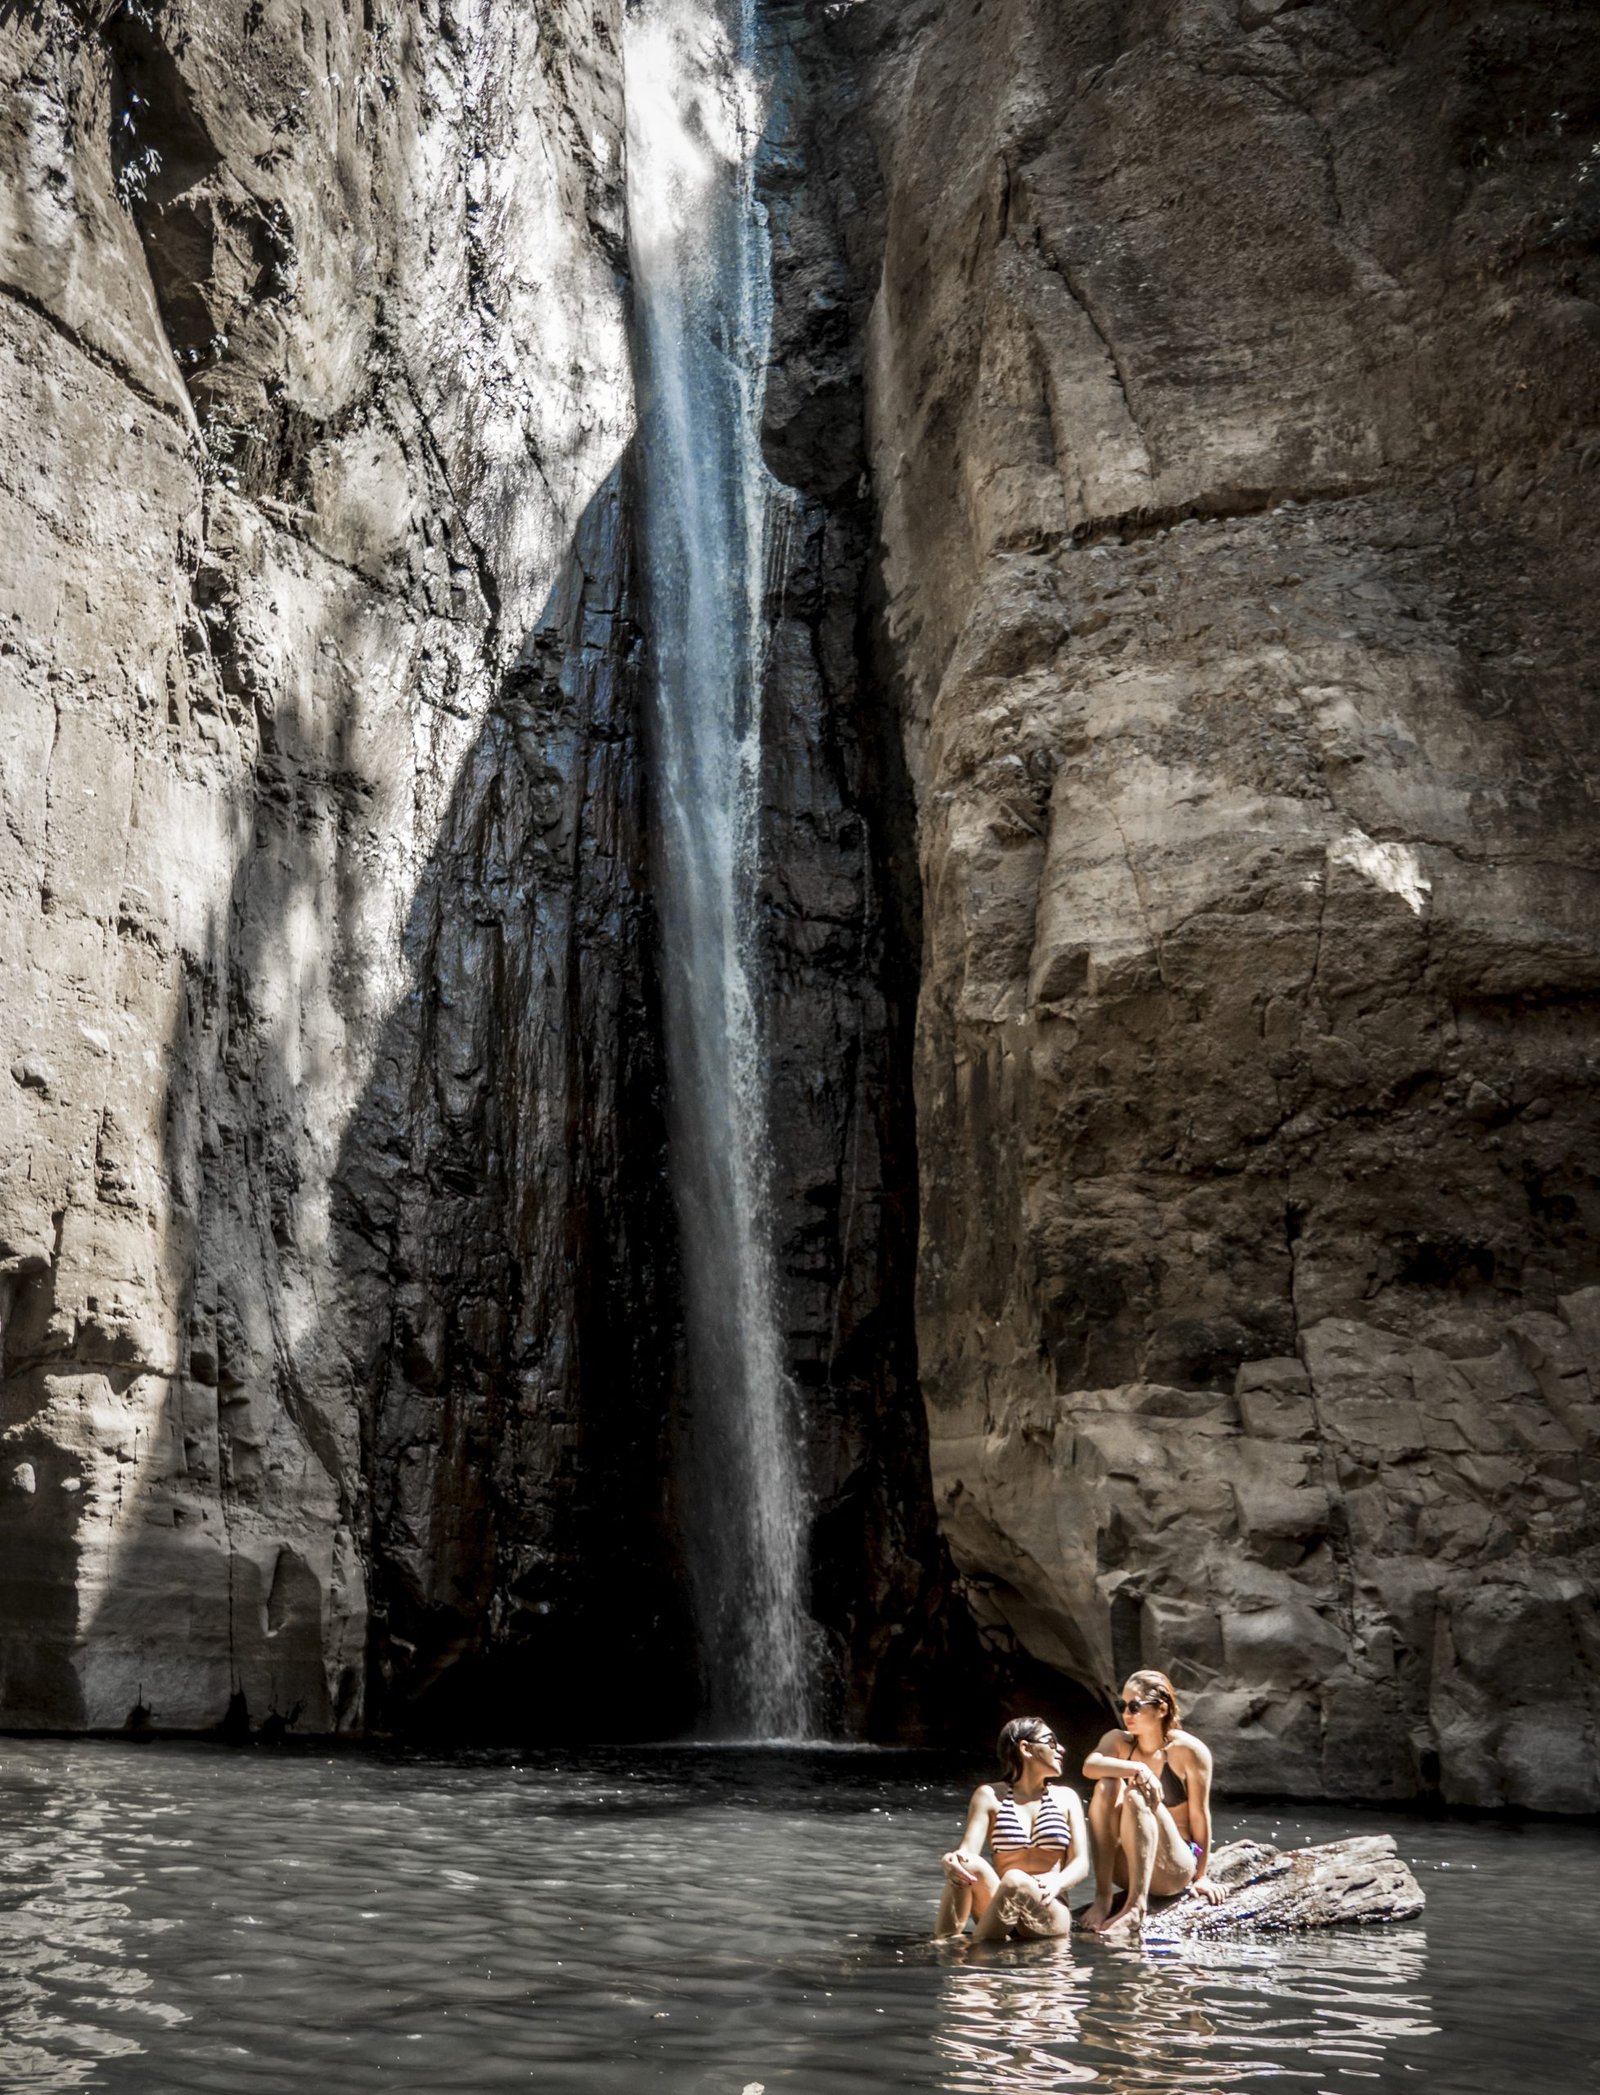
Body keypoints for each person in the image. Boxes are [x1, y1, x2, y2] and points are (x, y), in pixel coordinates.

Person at [1081, 1668, 1227, 1934]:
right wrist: (1137, 1769)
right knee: (1106, 1784)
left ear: (1161, 1709)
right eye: (1122, 1705)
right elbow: (1090, 1766)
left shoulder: (1189, 1751)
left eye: (1134, 1706)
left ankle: (1136, 1908)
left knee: (1137, 1795)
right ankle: (1104, 1898)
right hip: (1124, 1867)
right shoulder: (1118, 1741)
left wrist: (1202, 1876)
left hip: (1173, 1867)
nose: (1126, 1714)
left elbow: (1199, 1815)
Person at [936, 1717, 1090, 1940]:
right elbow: (967, 1851)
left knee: (1016, 1880)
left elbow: (1081, 1863)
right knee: (964, 1864)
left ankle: (975, 1952)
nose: (1061, 1749)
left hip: (1047, 1907)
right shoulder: (988, 1795)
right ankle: (944, 1944)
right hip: (1000, 1903)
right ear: (1026, 1748)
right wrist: (951, 1860)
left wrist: (1058, 1882)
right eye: (1052, 1742)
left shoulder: (1067, 1798)